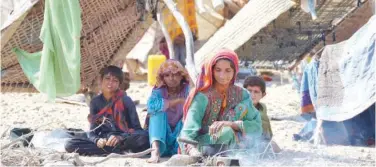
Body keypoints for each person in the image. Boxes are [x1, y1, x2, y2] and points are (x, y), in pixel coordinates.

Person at [178, 49, 262, 156]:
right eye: (218, 70)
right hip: (203, 143)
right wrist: (191, 149)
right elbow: (188, 132)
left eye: (228, 70)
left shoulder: (242, 95)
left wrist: (232, 124)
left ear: (234, 71)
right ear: (211, 71)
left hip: (237, 141)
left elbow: (257, 126)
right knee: (227, 133)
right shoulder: (202, 97)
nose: (222, 75)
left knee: (246, 137)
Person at [65, 66, 149, 155]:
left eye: (115, 81)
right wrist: (97, 140)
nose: (110, 83)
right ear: (101, 80)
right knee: (69, 144)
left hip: (125, 139)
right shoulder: (95, 102)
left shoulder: (126, 100)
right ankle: (117, 151)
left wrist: (120, 137)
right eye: (107, 79)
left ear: (119, 84)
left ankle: (111, 150)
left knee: (144, 138)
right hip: (105, 140)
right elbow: (92, 131)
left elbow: (137, 129)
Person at [146, 60, 192, 163]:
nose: (171, 78)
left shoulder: (187, 89)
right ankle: (155, 151)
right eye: (167, 75)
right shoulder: (159, 91)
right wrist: (178, 101)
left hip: (180, 136)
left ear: (181, 76)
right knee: (157, 113)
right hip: (162, 137)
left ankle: (185, 149)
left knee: (190, 115)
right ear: (163, 78)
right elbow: (150, 106)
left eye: (175, 74)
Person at [243, 76, 273, 140]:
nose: (252, 95)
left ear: (263, 95)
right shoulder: (240, 108)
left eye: (256, 92)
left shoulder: (263, 107)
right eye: (249, 91)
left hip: (262, 138)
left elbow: (267, 124)